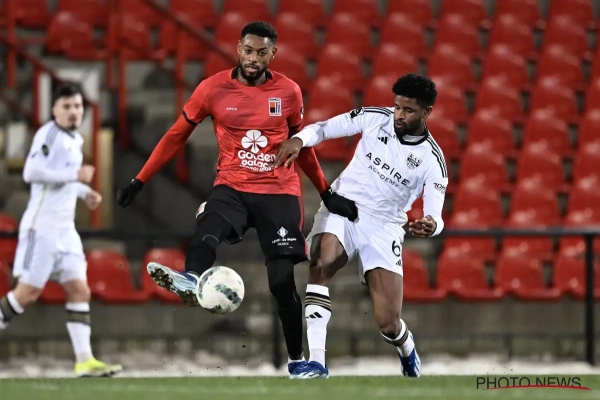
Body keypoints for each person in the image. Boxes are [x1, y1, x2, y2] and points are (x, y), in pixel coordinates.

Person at [116, 21, 357, 377]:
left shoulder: (289, 93)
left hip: (279, 193)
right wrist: (140, 180)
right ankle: (191, 278)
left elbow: (302, 148)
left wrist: (326, 193)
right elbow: (176, 135)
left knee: (281, 282)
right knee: (209, 224)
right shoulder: (211, 89)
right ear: (238, 48)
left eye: (262, 52)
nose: (253, 58)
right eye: (248, 50)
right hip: (233, 187)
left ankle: (296, 361)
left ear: (273, 54)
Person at [274, 74, 448, 379]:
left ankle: (406, 346)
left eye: (408, 110)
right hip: (345, 206)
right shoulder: (374, 118)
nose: (398, 115)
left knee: (388, 323)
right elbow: (324, 128)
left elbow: (436, 215)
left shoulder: (432, 160)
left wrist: (431, 225)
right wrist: (299, 139)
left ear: (426, 112)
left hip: (384, 226)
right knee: (321, 263)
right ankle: (317, 362)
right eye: (397, 107)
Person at [0, 83, 123, 377]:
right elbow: (31, 172)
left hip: (66, 230)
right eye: (66, 106)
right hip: (41, 229)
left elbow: (60, 182)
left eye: (77, 106)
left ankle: (84, 361)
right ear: (54, 109)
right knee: (26, 294)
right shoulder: (49, 134)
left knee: (79, 289)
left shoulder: (73, 139)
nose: (73, 112)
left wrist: (83, 191)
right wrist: (75, 175)